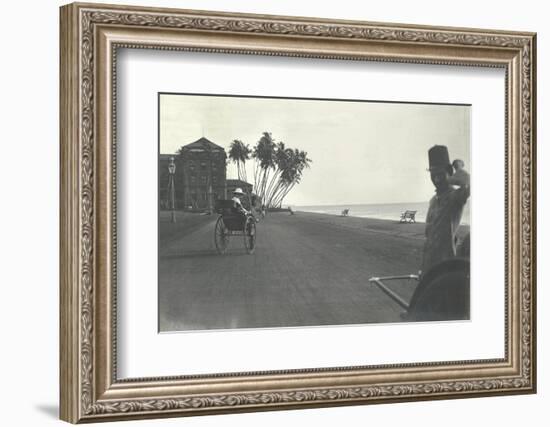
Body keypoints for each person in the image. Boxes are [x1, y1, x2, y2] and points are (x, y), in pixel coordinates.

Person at [420, 145, 470, 276]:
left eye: (440, 173)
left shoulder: (456, 196)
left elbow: (468, 181)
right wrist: (423, 269)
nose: (436, 178)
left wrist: (458, 166)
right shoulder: (433, 201)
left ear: (449, 172)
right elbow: (428, 239)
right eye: (433, 173)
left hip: (446, 269)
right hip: (429, 269)